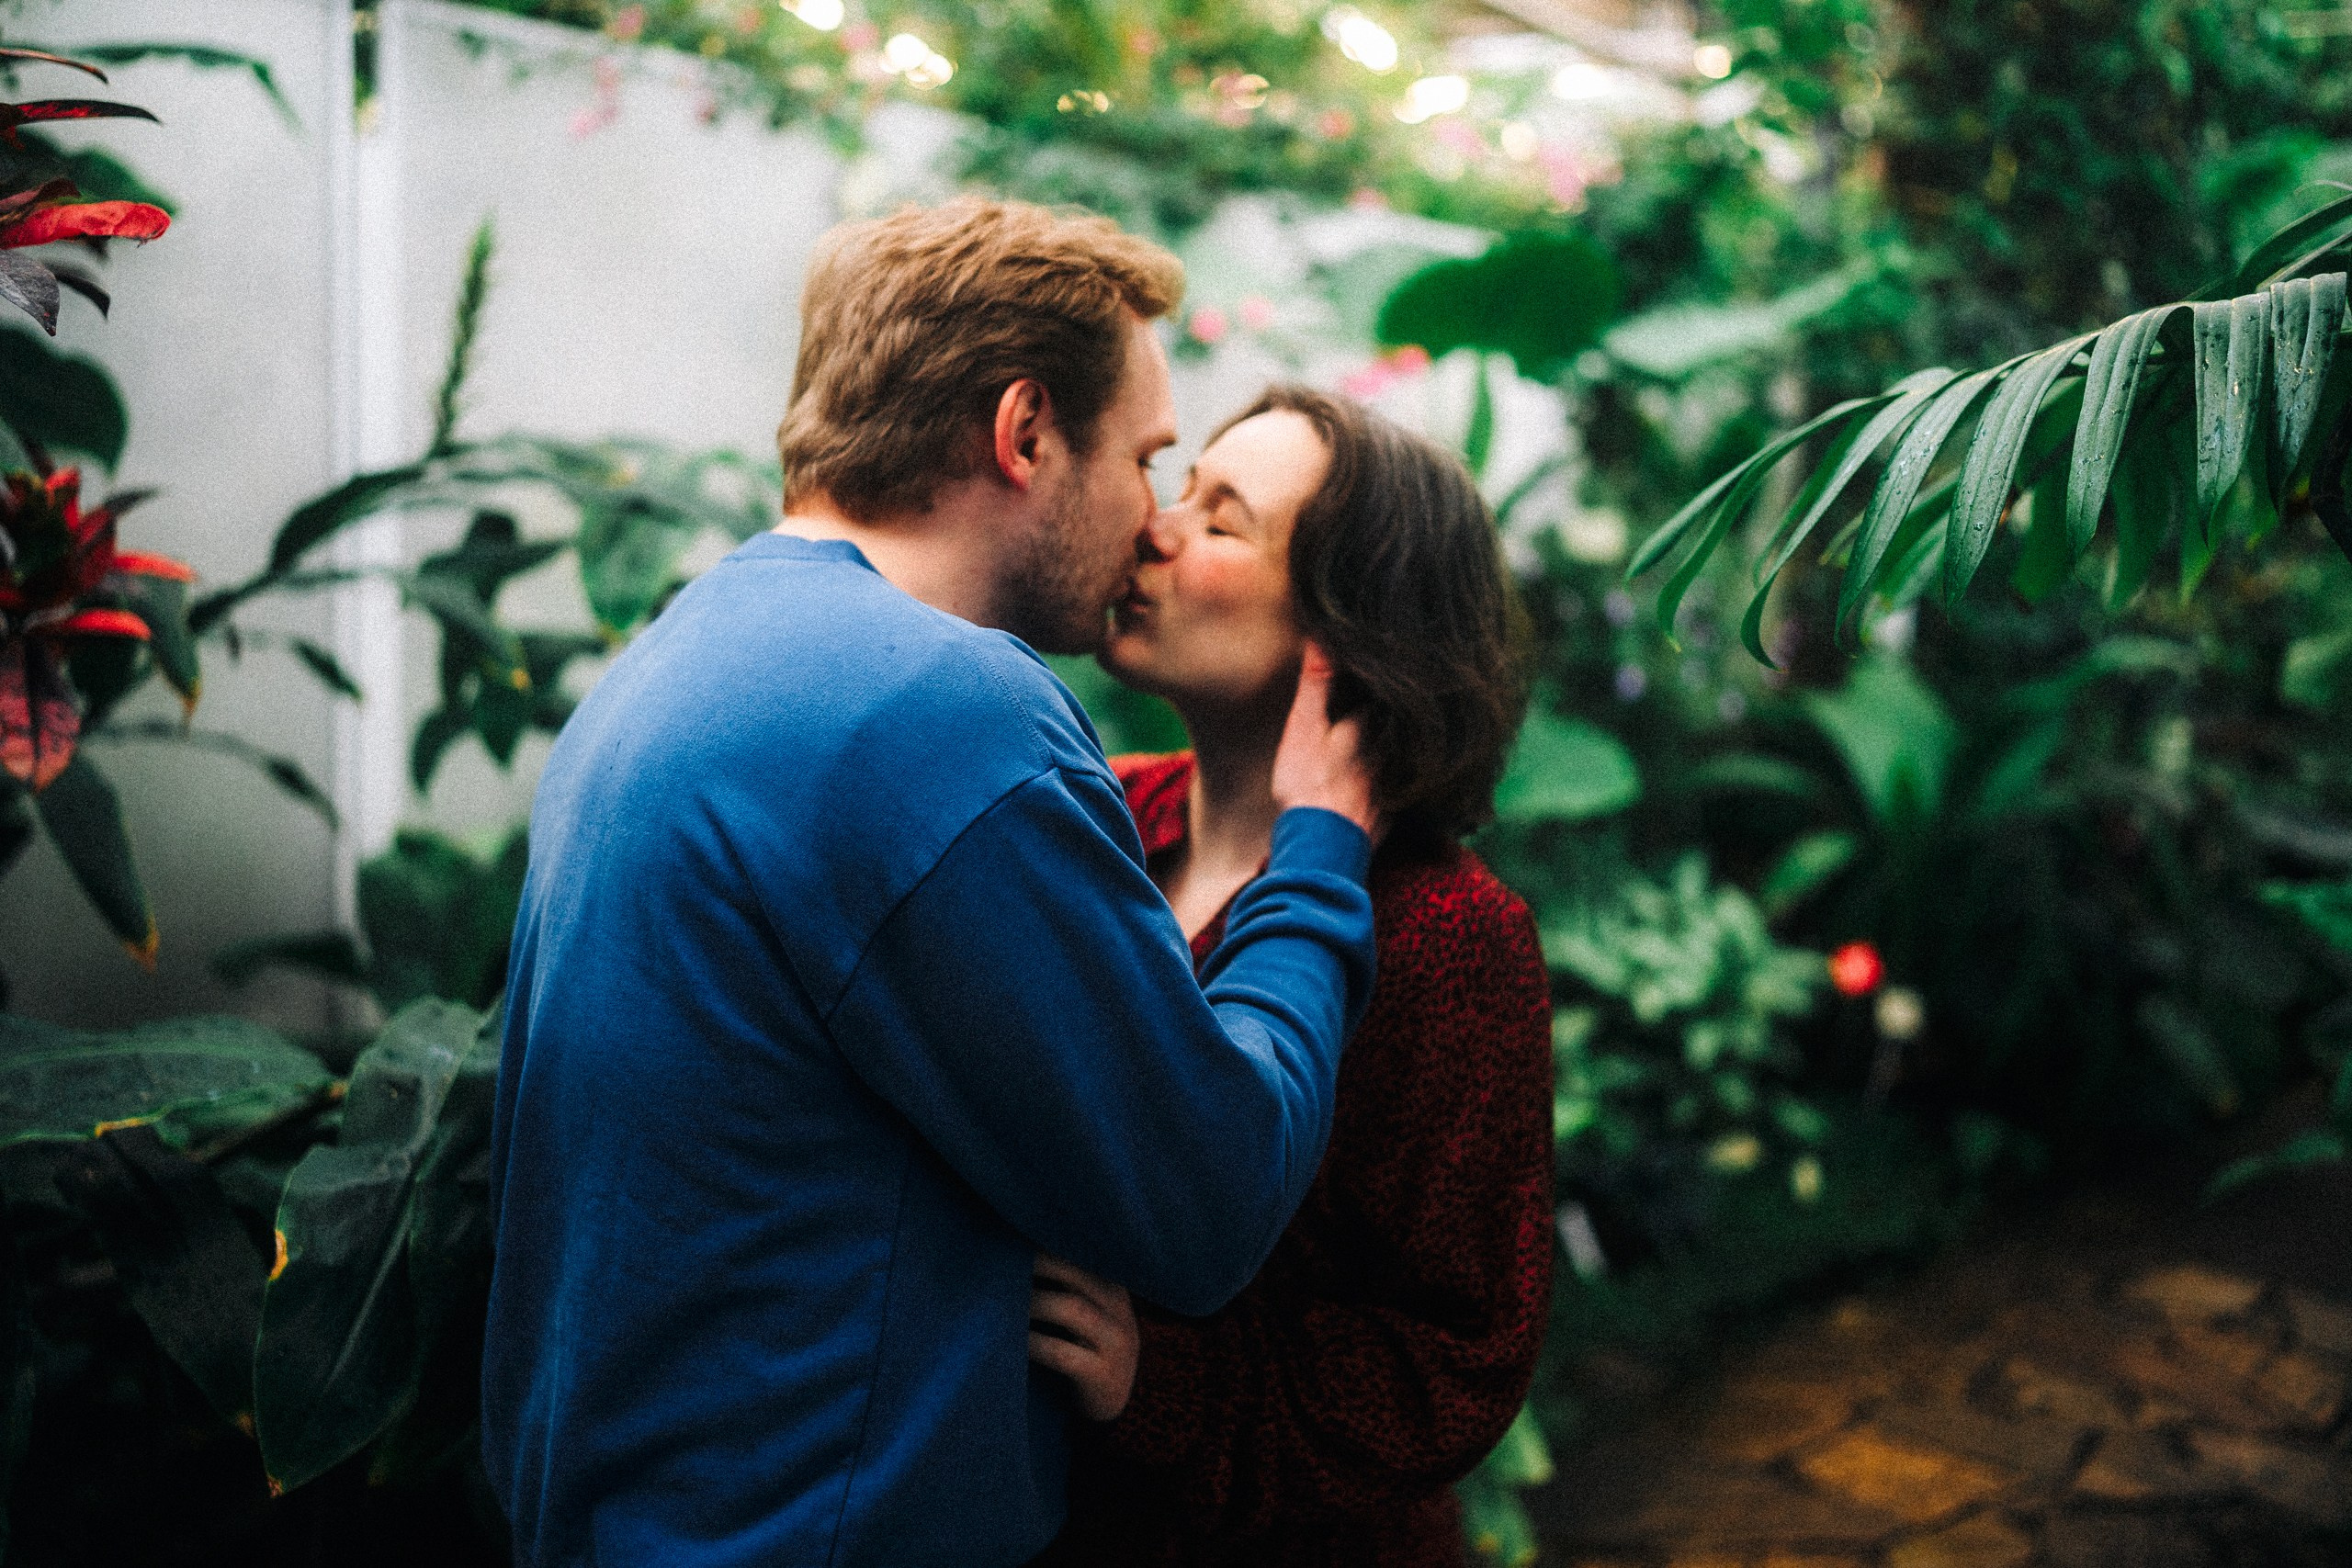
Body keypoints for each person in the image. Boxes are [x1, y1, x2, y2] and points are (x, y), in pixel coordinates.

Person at [481, 202, 1384, 1568]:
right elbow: (1205, 1194)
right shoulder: (937, 712)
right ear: (1024, 432)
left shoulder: (684, 656)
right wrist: (1318, 848)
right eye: (1147, 458)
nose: (1153, 517)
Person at [1027, 387, 1556, 1567]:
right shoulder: (1105, 811)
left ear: (1352, 635)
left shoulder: (1445, 938)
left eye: (1224, 521)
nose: (1155, 527)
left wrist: (1163, 1385)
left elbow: (1455, 1353)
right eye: (1184, 488)